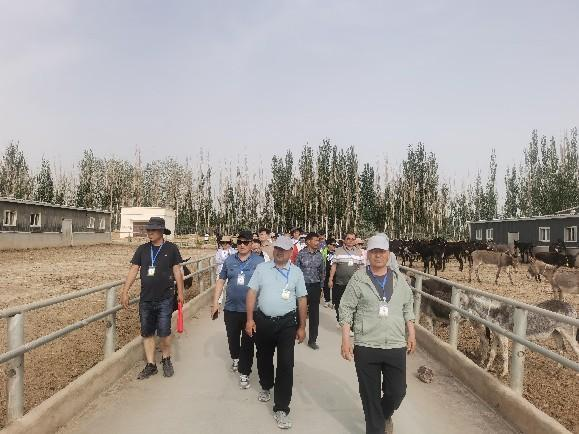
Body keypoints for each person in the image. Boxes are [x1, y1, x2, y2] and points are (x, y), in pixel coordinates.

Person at [339, 234, 416, 434]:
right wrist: (346, 340)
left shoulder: (399, 279)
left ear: (388, 254)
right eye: (374, 251)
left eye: (382, 251)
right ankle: (376, 428)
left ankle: (383, 415)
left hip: (395, 344)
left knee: (397, 392)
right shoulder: (359, 279)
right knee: (370, 396)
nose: (378, 255)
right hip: (367, 344)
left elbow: (408, 306)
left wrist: (411, 333)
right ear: (368, 254)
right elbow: (346, 308)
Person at [245, 236, 308, 430]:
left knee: (286, 364)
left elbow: (302, 299)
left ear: (291, 252)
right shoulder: (262, 268)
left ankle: (281, 407)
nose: (280, 252)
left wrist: (302, 326)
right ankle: (266, 385)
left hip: (287, 324)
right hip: (263, 320)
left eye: (284, 249)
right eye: (277, 248)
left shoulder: (296, 272)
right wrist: (249, 319)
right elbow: (252, 293)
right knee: (263, 357)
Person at [120, 217, 185, 379]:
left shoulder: (171, 248)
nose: (149, 232)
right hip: (146, 299)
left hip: (165, 298)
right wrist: (125, 291)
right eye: (148, 230)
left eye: (153, 230)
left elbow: (177, 271)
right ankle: (151, 365)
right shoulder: (142, 249)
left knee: (164, 332)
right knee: (147, 333)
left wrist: (181, 293)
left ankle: (166, 359)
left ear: (161, 231)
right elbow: (134, 270)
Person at [211, 230, 264, 389]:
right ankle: (235, 358)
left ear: (251, 244)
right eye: (239, 242)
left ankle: (244, 372)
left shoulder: (259, 261)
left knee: (248, 342)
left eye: (245, 242)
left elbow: (266, 284)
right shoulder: (229, 260)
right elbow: (221, 280)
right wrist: (216, 302)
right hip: (231, 308)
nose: (242, 245)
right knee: (232, 339)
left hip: (251, 311)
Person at [295, 232, 325, 350]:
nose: (318, 243)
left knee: (314, 314)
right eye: (316, 240)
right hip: (302, 286)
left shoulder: (320, 255)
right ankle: (298, 332)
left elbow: (322, 272)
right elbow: (296, 271)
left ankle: (312, 340)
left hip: (315, 287)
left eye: (318, 240)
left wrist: (321, 287)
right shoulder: (301, 254)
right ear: (308, 241)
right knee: (299, 311)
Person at [328, 231, 365, 326]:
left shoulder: (359, 252)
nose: (350, 241)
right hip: (340, 283)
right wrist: (330, 279)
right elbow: (334, 266)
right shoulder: (338, 251)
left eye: (353, 239)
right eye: (348, 238)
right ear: (344, 240)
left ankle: (350, 323)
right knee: (339, 303)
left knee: (353, 303)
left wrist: (362, 281)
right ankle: (340, 320)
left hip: (353, 284)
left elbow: (361, 267)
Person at [215, 236, 236, 305]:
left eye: (226, 243)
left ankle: (229, 299)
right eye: (223, 243)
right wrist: (226, 260)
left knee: (230, 286)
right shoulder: (219, 251)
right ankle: (219, 301)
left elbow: (234, 260)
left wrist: (227, 259)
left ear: (229, 243)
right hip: (220, 271)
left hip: (230, 271)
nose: (225, 244)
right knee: (220, 286)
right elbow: (217, 260)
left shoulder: (233, 251)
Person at [321, 238, 337, 308]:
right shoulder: (323, 251)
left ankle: (334, 302)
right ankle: (327, 301)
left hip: (335, 272)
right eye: (333, 245)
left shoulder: (337, 252)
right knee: (326, 287)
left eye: (335, 245)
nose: (334, 246)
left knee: (335, 287)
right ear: (328, 245)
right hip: (326, 272)